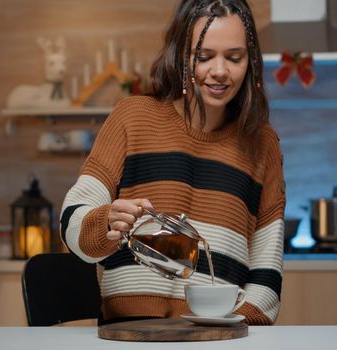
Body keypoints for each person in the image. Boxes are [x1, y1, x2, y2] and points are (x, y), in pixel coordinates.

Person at [60, 0, 285, 326]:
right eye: (204, 57)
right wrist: (107, 220)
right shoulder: (132, 118)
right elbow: (71, 223)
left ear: (251, 62)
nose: (220, 71)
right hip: (127, 339)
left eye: (234, 58)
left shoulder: (262, 145)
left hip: (218, 344)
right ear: (181, 55)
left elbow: (266, 283)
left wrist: (224, 329)